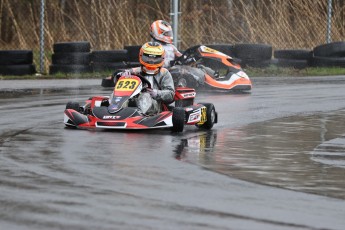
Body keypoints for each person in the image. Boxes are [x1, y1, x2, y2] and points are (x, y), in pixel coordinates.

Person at [113, 41, 175, 116]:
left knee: (145, 96)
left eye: (155, 58)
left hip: (154, 103)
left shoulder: (164, 73)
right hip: (132, 99)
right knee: (119, 96)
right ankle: (115, 112)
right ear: (141, 55)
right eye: (148, 57)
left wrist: (156, 93)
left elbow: (171, 94)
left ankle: (138, 115)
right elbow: (117, 80)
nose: (151, 60)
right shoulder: (135, 71)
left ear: (161, 58)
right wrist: (122, 76)